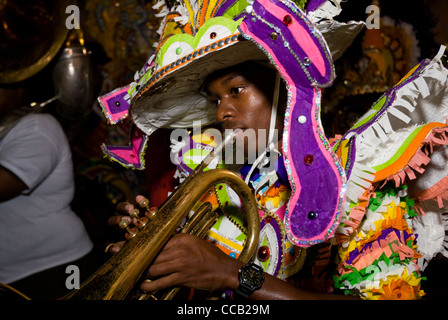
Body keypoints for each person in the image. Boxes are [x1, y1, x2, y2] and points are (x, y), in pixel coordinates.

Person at [100, 0, 448, 300]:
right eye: (216, 99)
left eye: (236, 90)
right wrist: (156, 254)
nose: (222, 112)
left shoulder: (361, 181)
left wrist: (234, 275)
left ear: (284, 83)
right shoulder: (220, 180)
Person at [0, 79, 99, 300]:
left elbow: (3, 185)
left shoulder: (38, 126)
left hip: (57, 266)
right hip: (12, 275)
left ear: (19, 86)